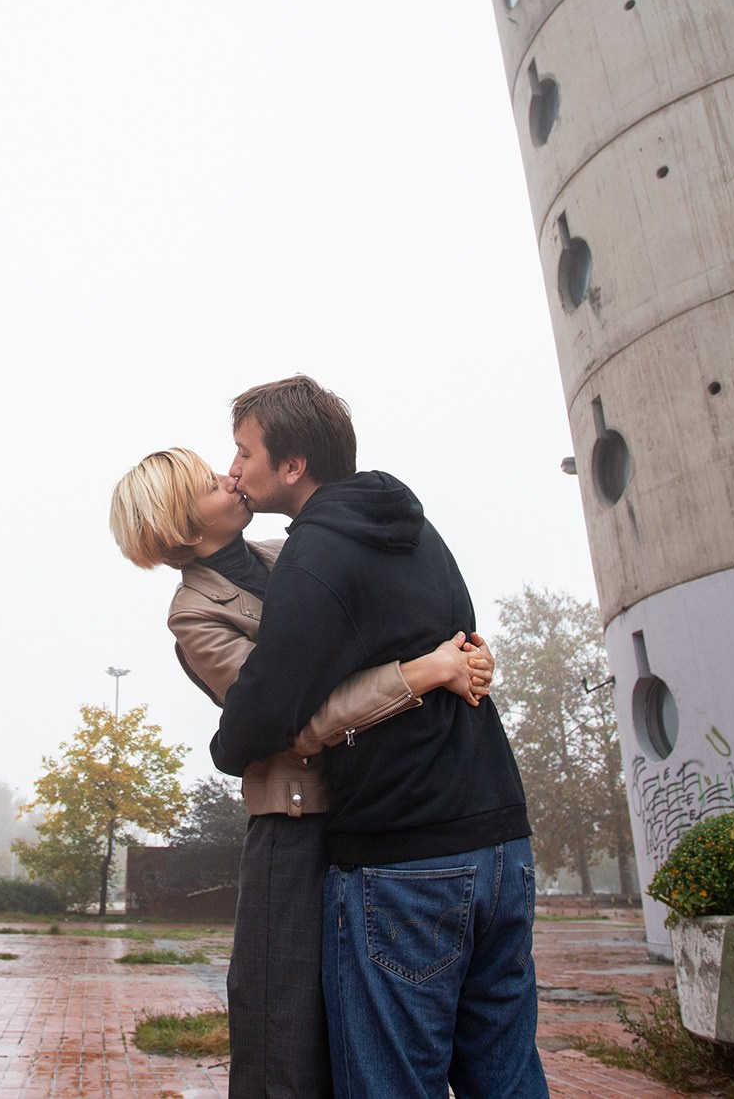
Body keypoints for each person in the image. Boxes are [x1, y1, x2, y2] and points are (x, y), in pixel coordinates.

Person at [110, 447, 493, 1099]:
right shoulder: (195, 615)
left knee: (357, 1027)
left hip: (367, 809)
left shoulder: (290, 552)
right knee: (281, 1035)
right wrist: (421, 673)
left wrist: (460, 653)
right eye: (210, 482)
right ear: (182, 526)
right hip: (292, 831)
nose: (230, 475)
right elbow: (295, 718)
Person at [211, 375, 548, 1099]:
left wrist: (226, 748)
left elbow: (265, 709)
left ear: (292, 465)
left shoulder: (315, 553)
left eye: (244, 451)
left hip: (408, 860)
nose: (234, 468)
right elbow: (463, 642)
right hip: (502, 841)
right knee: (508, 1076)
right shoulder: (418, 529)